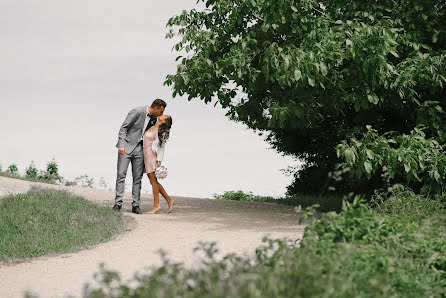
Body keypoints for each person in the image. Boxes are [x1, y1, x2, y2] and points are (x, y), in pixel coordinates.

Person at [112, 99, 166, 214]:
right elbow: (123, 128)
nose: (161, 114)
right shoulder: (137, 111)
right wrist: (121, 145)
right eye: (161, 111)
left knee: (137, 178)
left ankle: (136, 205)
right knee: (121, 175)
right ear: (156, 108)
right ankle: (118, 204)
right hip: (126, 147)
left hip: (140, 150)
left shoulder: (153, 119)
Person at [143, 114, 175, 214]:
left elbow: (161, 148)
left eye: (165, 116)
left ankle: (157, 205)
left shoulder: (162, 132)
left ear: (165, 121)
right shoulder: (152, 124)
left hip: (151, 157)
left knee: (153, 182)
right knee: (154, 182)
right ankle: (169, 200)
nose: (163, 114)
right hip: (145, 155)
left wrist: (159, 161)